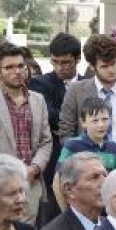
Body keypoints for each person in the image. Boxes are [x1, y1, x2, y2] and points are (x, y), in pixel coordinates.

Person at [0, 43, 53, 226]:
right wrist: (13, 171)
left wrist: (34, 168)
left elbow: (46, 141)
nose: (17, 71)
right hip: (1, 187)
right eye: (9, 67)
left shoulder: (38, 100)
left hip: (31, 185)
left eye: (20, 66)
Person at [59, 34, 116, 169]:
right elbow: (66, 132)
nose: (112, 70)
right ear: (93, 67)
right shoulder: (76, 91)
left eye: (114, 63)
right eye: (105, 66)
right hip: (87, 170)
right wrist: (79, 165)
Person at [30, 33, 85, 218]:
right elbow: (52, 117)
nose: (59, 67)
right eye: (55, 62)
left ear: (77, 59)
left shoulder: (89, 84)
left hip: (87, 163)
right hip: (55, 164)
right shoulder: (40, 84)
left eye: (65, 62)